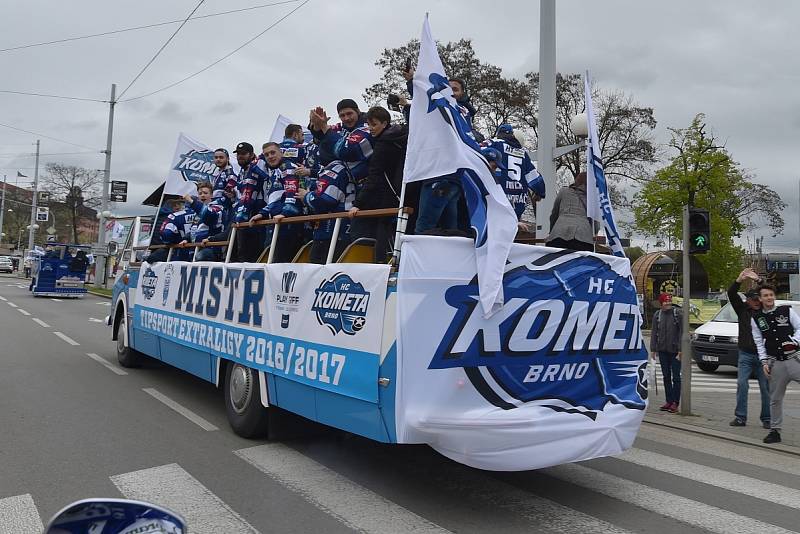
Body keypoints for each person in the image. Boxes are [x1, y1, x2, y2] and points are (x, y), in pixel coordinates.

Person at [348, 106, 407, 263]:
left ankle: (381, 266)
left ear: (385, 123)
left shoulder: (382, 145)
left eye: (374, 124)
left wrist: (358, 203)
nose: (370, 129)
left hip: (387, 197)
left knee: (383, 234)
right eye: (368, 124)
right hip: (404, 193)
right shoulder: (403, 137)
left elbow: (374, 176)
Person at [750, 284, 800, 444]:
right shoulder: (757, 318)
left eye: (771, 294)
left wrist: (794, 341)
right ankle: (775, 431)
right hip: (775, 362)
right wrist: (764, 361)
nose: (769, 298)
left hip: (794, 359)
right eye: (765, 295)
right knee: (775, 399)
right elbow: (758, 341)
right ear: (760, 298)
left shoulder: (786, 311)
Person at [480, 124, 546, 232]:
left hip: (498, 198)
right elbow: (533, 175)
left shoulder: (495, 142)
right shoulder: (522, 152)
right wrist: (540, 192)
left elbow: (477, 149)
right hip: (517, 202)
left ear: (499, 134)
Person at [727, 268, 770, 428]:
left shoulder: (766, 311)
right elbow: (731, 294)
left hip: (763, 356)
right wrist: (739, 280)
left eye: (757, 299)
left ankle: (767, 418)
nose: (755, 302)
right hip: (745, 354)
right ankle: (740, 417)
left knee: (765, 388)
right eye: (752, 299)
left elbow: (769, 291)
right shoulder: (742, 310)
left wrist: (758, 280)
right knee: (742, 384)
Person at [249, 142, 306, 263]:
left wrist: (285, 213)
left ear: (281, 152)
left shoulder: (287, 167)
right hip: (277, 223)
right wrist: (262, 214)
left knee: (280, 265)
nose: (270, 156)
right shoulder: (276, 171)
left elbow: (292, 195)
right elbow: (277, 199)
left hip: (289, 225)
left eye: (273, 152)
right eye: (266, 154)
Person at [231, 141, 270, 262]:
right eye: (238, 154)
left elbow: (249, 194)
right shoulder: (242, 172)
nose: (240, 156)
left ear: (252, 154)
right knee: (241, 254)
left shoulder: (256, 166)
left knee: (253, 256)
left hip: (257, 214)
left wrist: (240, 215)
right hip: (245, 214)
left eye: (244, 153)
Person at [650, 293, 683, 413]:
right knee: (666, 376)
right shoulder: (657, 315)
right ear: (661, 303)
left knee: (676, 377)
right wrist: (653, 349)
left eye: (669, 301)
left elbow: (682, 332)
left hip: (675, 351)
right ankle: (668, 401)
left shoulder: (677, 314)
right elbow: (654, 333)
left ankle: (675, 402)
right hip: (662, 350)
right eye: (665, 302)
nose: (668, 303)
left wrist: (681, 350)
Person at [546, 171, 595, 251]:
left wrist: (551, 232)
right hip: (583, 237)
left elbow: (554, 214)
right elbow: (595, 222)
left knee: (557, 262)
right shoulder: (591, 198)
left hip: (558, 234)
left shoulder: (564, 191)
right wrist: (593, 233)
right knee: (580, 263)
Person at [185, 182, 225, 262]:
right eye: (200, 193)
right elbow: (194, 230)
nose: (202, 195)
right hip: (196, 248)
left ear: (212, 195)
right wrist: (186, 239)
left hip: (211, 248)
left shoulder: (217, 208)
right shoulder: (196, 212)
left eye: (205, 193)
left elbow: (207, 214)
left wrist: (192, 202)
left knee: (200, 256)